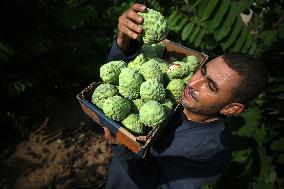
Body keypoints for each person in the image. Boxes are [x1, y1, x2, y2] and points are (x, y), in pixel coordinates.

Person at [103, 3, 268, 189]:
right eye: (202, 71)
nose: (193, 83)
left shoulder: (211, 152)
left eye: (211, 86)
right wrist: (124, 39)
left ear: (231, 108)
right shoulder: (177, 83)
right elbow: (122, 80)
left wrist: (125, 147)